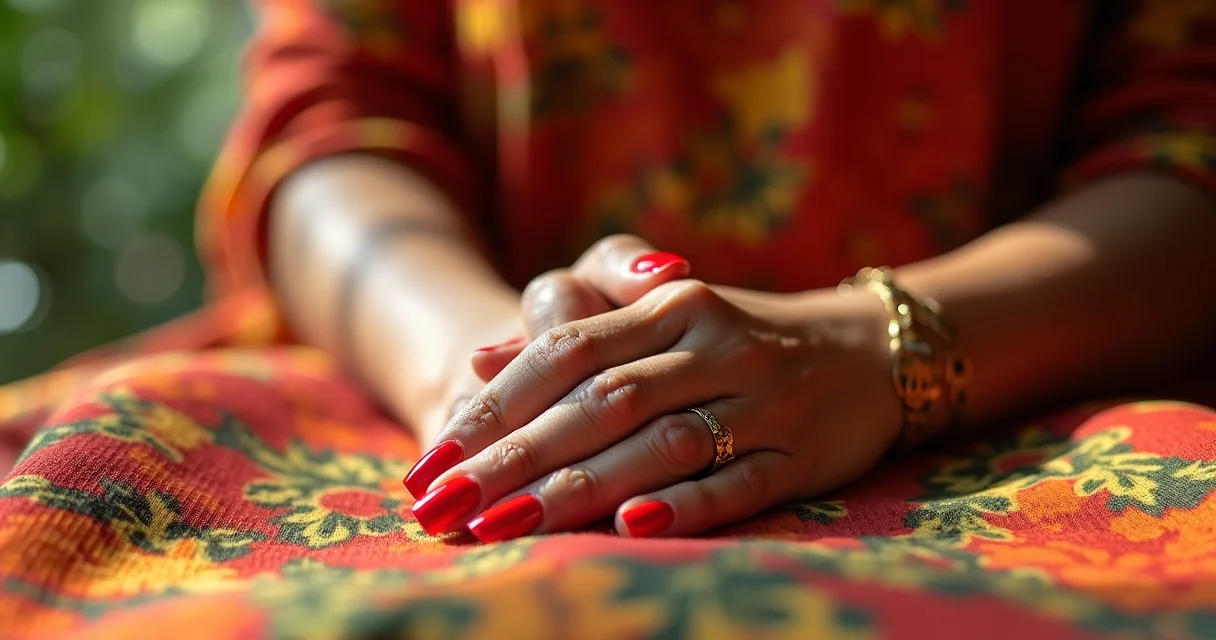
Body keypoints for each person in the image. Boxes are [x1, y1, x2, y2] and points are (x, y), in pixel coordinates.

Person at [1, 1, 1215, 637]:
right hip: (430, 379)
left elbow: (1187, 141)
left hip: (1035, 376)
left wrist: (880, 344)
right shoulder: (482, 384)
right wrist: (480, 372)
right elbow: (330, 125)